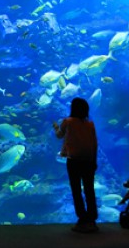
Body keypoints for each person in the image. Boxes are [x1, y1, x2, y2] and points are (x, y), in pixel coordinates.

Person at [53, 97, 99, 233]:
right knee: (89, 190)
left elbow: (59, 136)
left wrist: (56, 126)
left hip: (74, 160)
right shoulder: (90, 124)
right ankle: (92, 220)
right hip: (89, 160)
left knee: (76, 190)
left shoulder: (68, 121)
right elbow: (94, 144)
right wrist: (94, 161)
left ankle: (82, 219)